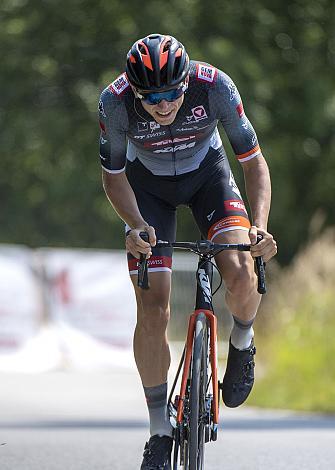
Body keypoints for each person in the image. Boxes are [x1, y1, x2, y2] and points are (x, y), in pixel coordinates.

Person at [98, 33, 277, 469]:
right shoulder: (114, 103)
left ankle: (242, 339)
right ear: (134, 89)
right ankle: (159, 429)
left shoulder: (215, 86)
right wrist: (137, 227)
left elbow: (252, 162)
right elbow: (113, 176)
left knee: (237, 266)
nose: (162, 106)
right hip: (147, 189)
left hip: (208, 176)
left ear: (186, 82)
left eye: (170, 94)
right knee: (153, 308)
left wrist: (259, 227)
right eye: (151, 97)